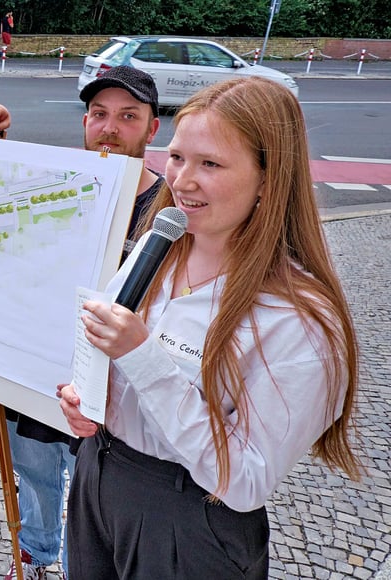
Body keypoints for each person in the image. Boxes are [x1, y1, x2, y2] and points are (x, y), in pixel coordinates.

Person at [59, 76, 363, 579]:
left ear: (269, 179)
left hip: (190, 518)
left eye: (211, 164)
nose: (182, 181)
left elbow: (246, 481)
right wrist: (85, 397)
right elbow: (101, 355)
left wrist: (141, 357)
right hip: (98, 475)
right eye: (177, 157)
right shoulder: (157, 247)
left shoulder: (297, 318)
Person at [0, 65, 163, 580]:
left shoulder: (167, 207)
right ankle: (37, 555)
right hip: (39, 367)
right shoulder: (61, 185)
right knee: (33, 470)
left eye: (128, 116)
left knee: (103, 491)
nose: (109, 128)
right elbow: (2, 212)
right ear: (84, 122)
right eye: (99, 114)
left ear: (152, 128)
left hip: (118, 393)